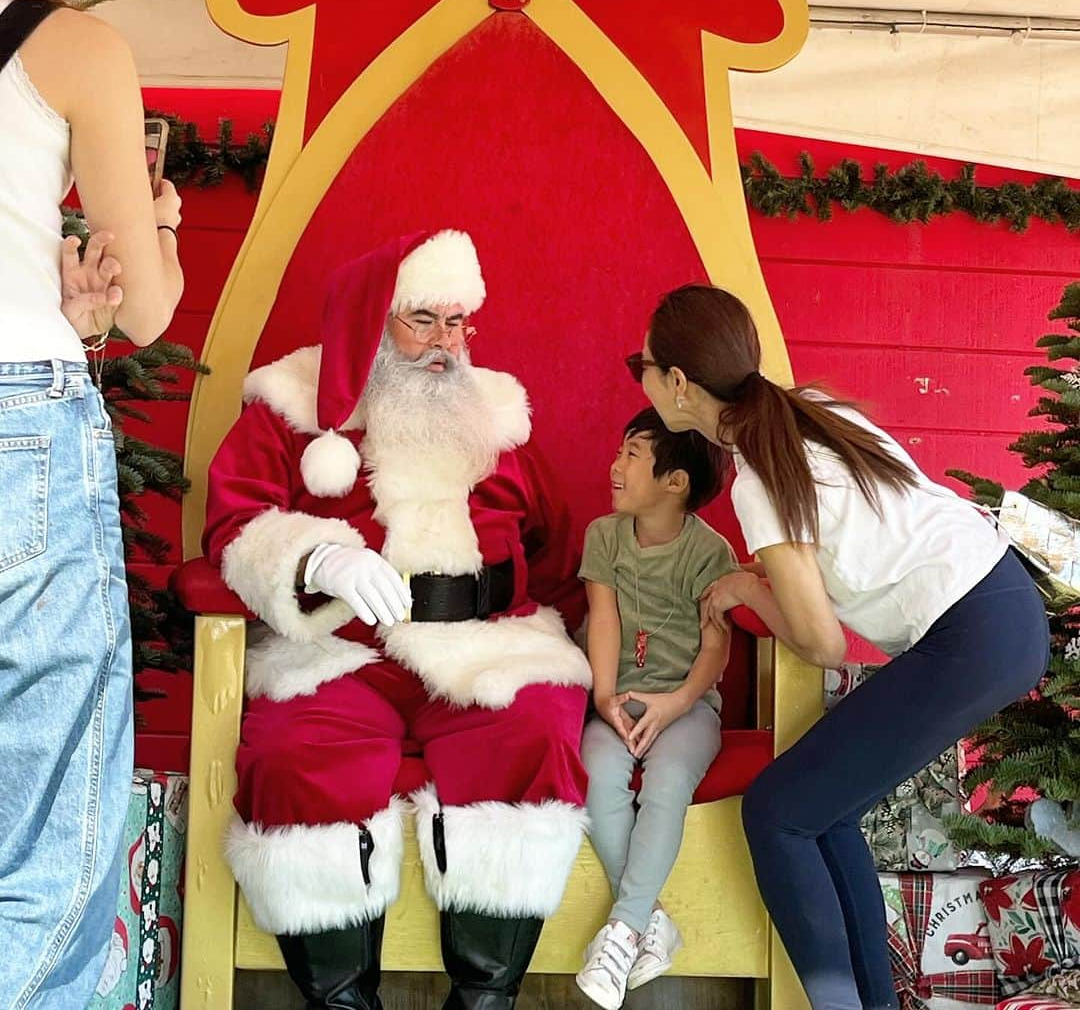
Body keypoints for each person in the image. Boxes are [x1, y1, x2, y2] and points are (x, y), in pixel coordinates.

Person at [628, 283, 1050, 1010]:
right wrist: (765, 579)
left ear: (675, 383)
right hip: (1001, 603)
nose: (637, 375)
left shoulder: (758, 480)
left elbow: (823, 643)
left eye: (640, 362)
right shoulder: (813, 411)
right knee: (818, 810)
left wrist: (744, 589)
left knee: (778, 813)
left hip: (971, 631)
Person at [203, 230, 592, 1010]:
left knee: (537, 731)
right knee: (291, 755)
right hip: (343, 651)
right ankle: (342, 1001)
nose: (447, 345)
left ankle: (485, 999)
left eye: (458, 323)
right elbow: (232, 523)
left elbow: (556, 550)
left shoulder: (499, 415)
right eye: (425, 322)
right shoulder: (289, 402)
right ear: (372, 320)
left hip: (486, 644)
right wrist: (315, 559)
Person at [0, 0, 184, 1005]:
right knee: (48, 826)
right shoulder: (69, 45)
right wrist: (154, 226)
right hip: (19, 417)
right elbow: (150, 309)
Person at [574, 407, 732, 1009]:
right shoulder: (604, 536)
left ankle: (621, 931)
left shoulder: (708, 552)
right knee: (596, 773)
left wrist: (675, 704)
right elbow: (605, 620)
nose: (615, 467)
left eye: (632, 455)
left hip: (688, 706)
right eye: (620, 452)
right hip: (618, 699)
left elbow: (716, 647)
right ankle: (644, 923)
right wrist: (605, 697)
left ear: (675, 481)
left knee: (666, 783)